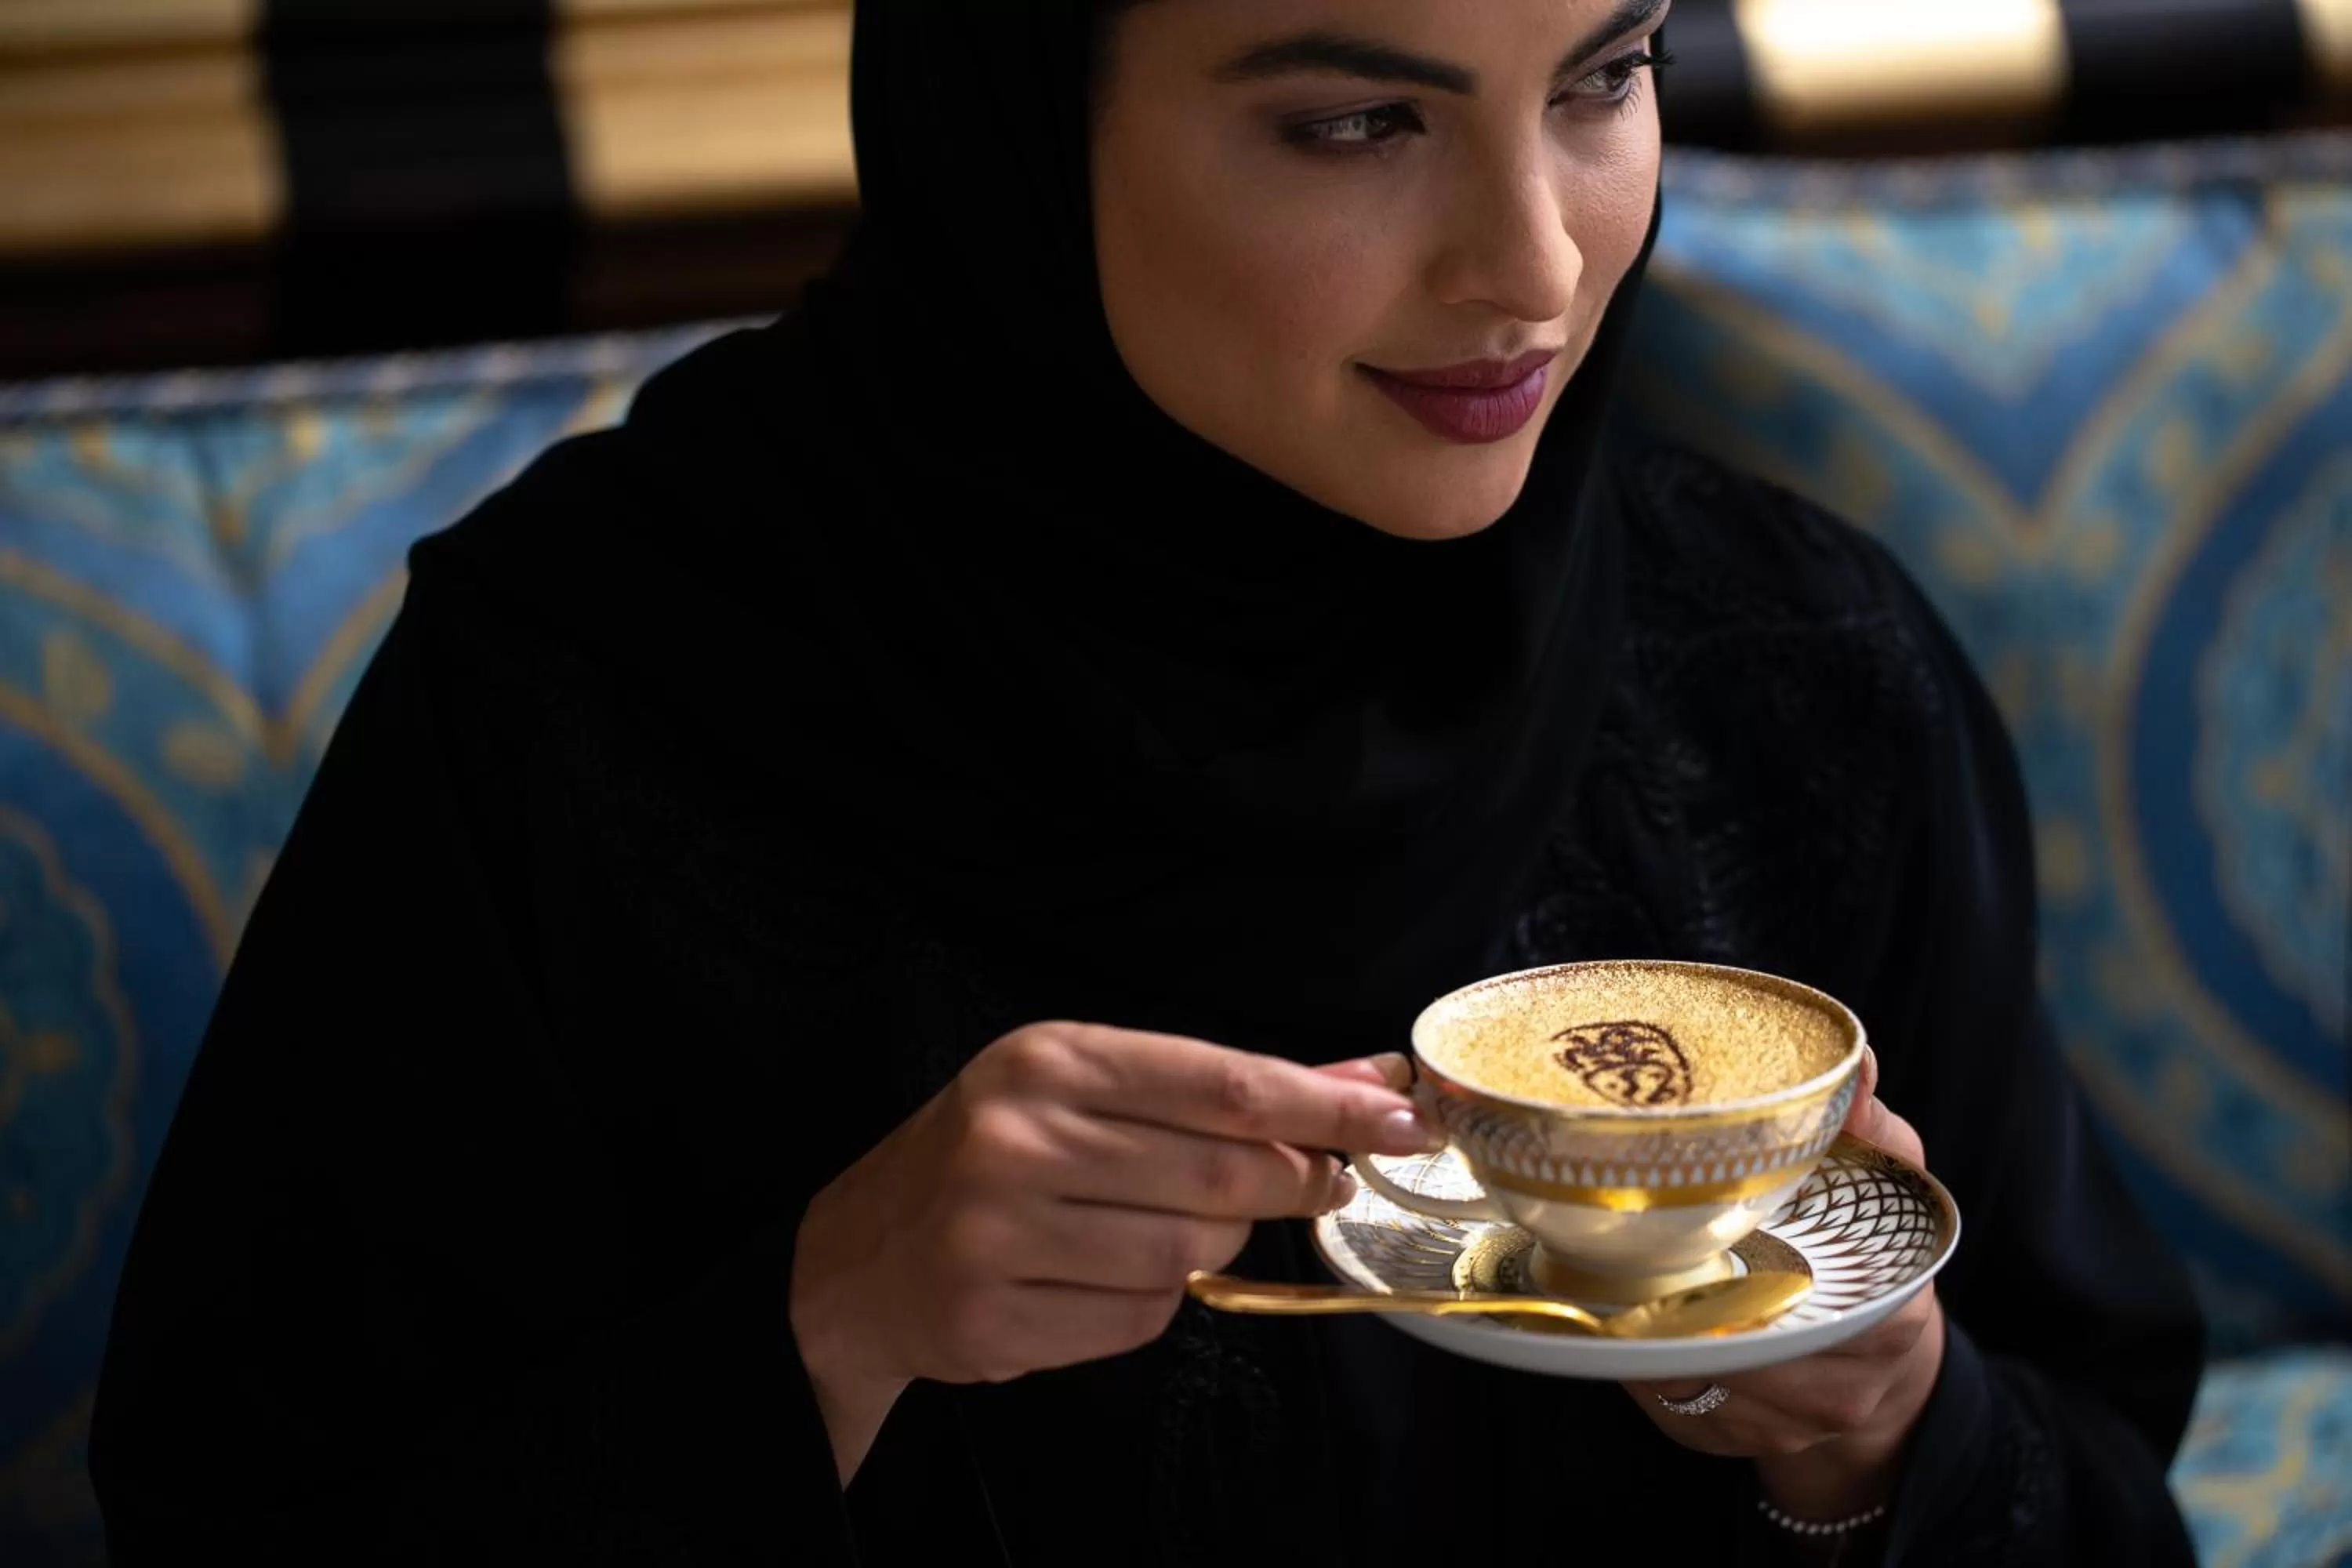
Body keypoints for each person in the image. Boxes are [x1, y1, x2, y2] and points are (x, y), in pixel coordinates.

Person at [90, 2, 2205, 1563]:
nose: (1538, 264)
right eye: (1359, 120)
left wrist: (1881, 1438)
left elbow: (2110, 1485)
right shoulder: (584, 694)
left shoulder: (1792, 667)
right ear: (1018, 115)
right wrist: (830, 1319)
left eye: (1603, 79)